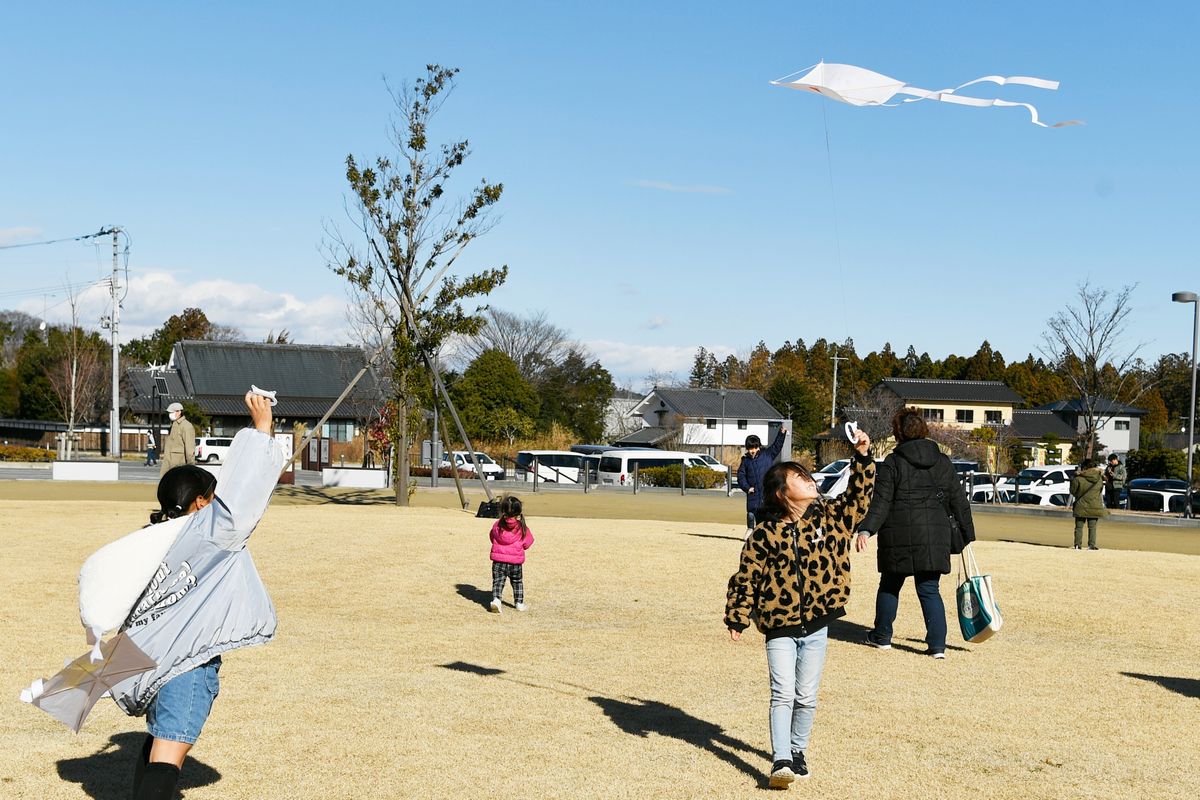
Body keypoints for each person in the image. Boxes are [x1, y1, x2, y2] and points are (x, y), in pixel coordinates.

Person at [114, 392, 283, 799]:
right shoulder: (212, 533)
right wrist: (262, 429)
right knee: (167, 757)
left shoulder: (149, 541)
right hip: (187, 666)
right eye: (212, 496)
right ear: (201, 502)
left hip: (148, 663)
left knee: (159, 744)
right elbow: (243, 498)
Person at [725, 429, 875, 789]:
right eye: (799, 478)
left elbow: (859, 498)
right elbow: (746, 577)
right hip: (779, 626)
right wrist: (738, 616)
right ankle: (781, 760)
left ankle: (798, 749)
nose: (809, 482)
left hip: (819, 625)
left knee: (806, 696)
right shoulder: (764, 534)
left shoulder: (831, 518)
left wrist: (863, 458)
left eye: (808, 477)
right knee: (783, 693)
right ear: (781, 493)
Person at [855, 407, 975, 659]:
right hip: (935, 535)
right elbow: (959, 500)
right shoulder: (943, 462)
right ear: (923, 430)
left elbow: (881, 502)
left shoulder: (892, 463)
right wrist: (967, 535)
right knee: (929, 589)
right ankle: (937, 647)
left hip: (897, 533)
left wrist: (866, 529)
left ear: (898, 433)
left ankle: (882, 636)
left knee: (890, 585)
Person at [736, 428, 788, 535]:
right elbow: (741, 476)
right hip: (753, 493)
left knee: (768, 514)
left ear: (759, 446)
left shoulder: (767, 455)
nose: (752, 450)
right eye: (750, 448)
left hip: (767, 492)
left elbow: (777, 446)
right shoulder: (745, 461)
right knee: (751, 513)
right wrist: (747, 488)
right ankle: (750, 530)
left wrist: (781, 434)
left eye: (755, 447)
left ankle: (768, 533)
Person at [488, 495, 534, 613]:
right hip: (515, 563)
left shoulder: (497, 525)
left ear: (503, 511)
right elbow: (528, 543)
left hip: (498, 561)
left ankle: (497, 600)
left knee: (498, 581)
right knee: (517, 582)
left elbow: (492, 536)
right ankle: (519, 603)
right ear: (518, 512)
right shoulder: (522, 527)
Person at [1070, 458, 1107, 550]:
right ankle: (1092, 545)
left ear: (1084, 467)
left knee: (1079, 527)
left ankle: (1077, 545)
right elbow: (1100, 490)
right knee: (1092, 527)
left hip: (1081, 505)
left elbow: (1073, 491)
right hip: (1095, 505)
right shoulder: (1099, 479)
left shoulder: (1078, 478)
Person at [159, 402, 196, 476]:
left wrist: (191, 467)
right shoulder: (173, 425)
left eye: (171, 412)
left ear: (179, 412)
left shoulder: (186, 426)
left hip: (179, 465)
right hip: (169, 464)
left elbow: (189, 449)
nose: (170, 415)